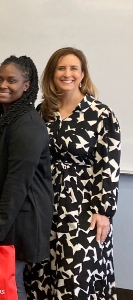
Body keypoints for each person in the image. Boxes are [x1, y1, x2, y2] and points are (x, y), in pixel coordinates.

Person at [28, 47, 121, 299]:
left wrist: (104, 212)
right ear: (52, 73)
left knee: (75, 274)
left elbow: (109, 166)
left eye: (73, 68)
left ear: (82, 75)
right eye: (61, 68)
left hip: (83, 207)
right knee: (41, 270)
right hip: (45, 201)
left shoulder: (101, 114)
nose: (67, 73)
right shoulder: (41, 112)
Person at [0, 56, 53, 299]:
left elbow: (17, 184)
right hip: (3, 218)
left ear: (26, 85)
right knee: (1, 284)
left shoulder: (27, 124)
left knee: (10, 285)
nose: (3, 85)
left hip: (17, 222)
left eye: (11, 80)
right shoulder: (4, 118)